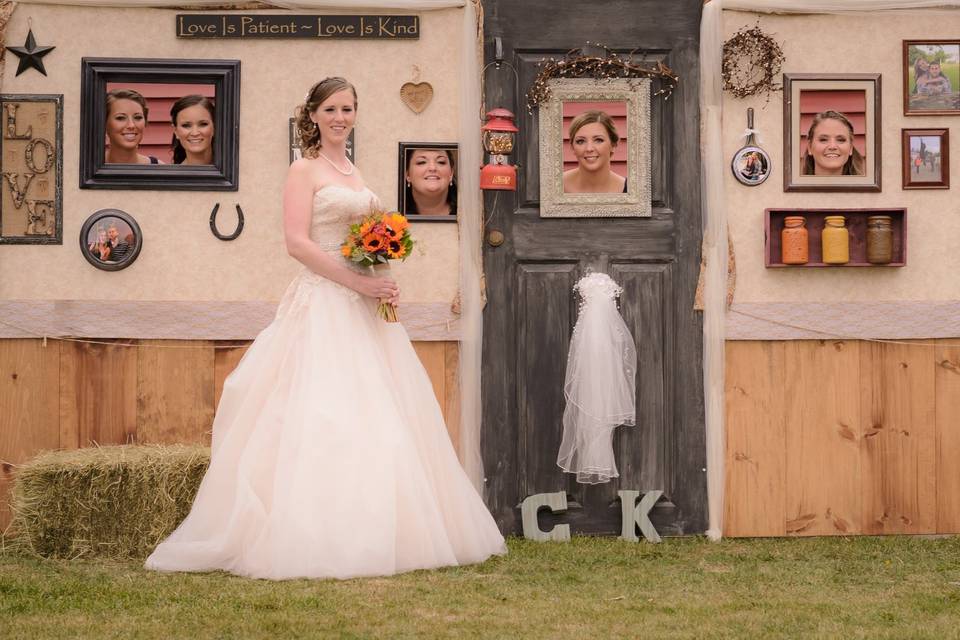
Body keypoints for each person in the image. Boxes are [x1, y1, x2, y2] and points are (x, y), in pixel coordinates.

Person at [144, 77, 506, 581]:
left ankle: (383, 528)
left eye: (348, 108)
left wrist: (383, 277)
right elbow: (297, 243)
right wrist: (357, 282)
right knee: (321, 410)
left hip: (364, 306)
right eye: (332, 108)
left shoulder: (353, 171)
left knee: (381, 412)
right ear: (313, 115)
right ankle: (311, 533)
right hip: (323, 304)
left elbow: (362, 240)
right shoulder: (303, 170)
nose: (340, 117)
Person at [562, 110, 627, 193]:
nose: (589, 149)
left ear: (613, 145)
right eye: (581, 141)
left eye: (598, 140)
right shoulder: (554, 186)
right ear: (572, 147)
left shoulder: (631, 190)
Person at [104, 89, 162, 164]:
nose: (131, 125)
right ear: (104, 123)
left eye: (138, 117)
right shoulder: (87, 167)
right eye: (120, 118)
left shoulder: (157, 167)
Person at [800, 110, 865, 176]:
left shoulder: (867, 185)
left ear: (851, 148)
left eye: (841, 140)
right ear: (810, 147)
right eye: (823, 140)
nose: (832, 146)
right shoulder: (794, 185)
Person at [404, 148, 457, 215]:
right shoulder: (393, 215)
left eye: (441, 162)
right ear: (407, 174)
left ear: (451, 173)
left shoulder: (470, 212)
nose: (432, 168)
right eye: (422, 162)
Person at [170, 95, 215, 165]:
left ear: (215, 127)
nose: (195, 133)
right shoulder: (170, 175)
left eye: (203, 124)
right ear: (176, 131)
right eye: (186, 125)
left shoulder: (235, 170)